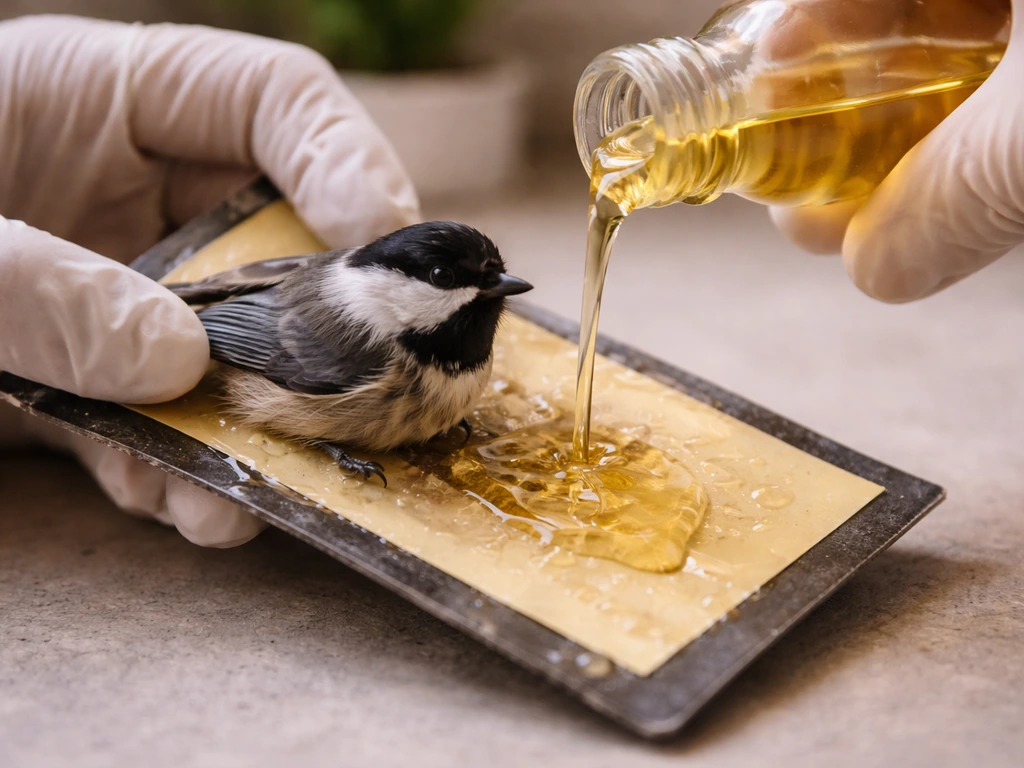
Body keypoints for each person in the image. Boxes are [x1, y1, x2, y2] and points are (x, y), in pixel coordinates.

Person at [2, 8, 1022, 547]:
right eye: (465, 281)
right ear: (401, 289)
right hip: (235, 338)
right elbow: (236, 331)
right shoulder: (364, 352)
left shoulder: (441, 333)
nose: (492, 296)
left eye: (488, 280)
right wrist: (153, 316)